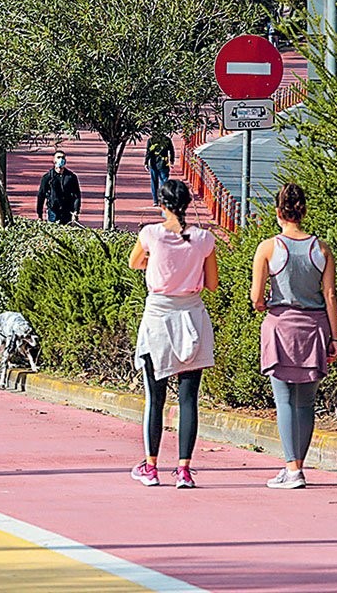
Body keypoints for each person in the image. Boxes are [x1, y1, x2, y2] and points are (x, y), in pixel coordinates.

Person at [128, 179, 218, 488]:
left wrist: (156, 262)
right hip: (192, 315)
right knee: (189, 398)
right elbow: (212, 283)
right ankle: (184, 470)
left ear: (162, 204)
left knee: (156, 397)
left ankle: (150, 466)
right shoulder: (204, 239)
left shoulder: (151, 234)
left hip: (158, 317)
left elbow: (134, 262)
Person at [250, 183, 337, 489]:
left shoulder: (268, 248)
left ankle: (291, 469)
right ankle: (298, 466)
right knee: (306, 403)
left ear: (278, 213)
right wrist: (335, 337)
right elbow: (330, 295)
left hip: (280, 327)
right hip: (315, 328)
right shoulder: (322, 248)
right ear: (303, 211)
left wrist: (263, 303)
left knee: (284, 401)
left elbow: (256, 296)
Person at [37, 150, 81, 224]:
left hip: (67, 212)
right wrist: (39, 215)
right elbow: (41, 195)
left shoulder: (71, 177)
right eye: (58, 157)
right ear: (54, 160)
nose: (61, 159)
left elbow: (77, 195)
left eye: (63, 158)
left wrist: (76, 211)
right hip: (53, 211)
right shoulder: (48, 177)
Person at [144, 134, 175, 206]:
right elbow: (172, 151)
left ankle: (155, 200)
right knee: (163, 182)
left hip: (154, 164)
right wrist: (171, 161)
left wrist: (146, 162)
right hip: (163, 164)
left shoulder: (151, 140)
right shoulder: (166, 140)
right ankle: (162, 199)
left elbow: (148, 152)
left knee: (154, 182)